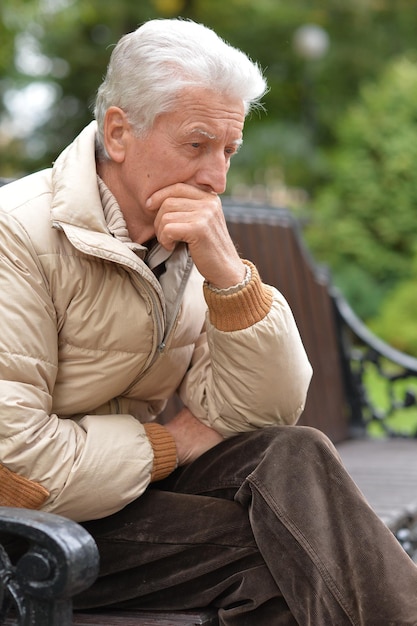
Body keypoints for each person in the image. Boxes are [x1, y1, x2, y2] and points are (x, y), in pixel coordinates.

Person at [0, 18, 416, 625]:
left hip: (124, 495)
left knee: (293, 454)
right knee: (290, 561)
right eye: (196, 146)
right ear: (119, 132)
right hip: (32, 534)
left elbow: (265, 412)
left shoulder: (184, 240)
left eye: (228, 151)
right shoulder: (17, 237)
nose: (216, 178)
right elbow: (19, 469)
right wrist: (173, 442)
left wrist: (231, 279)